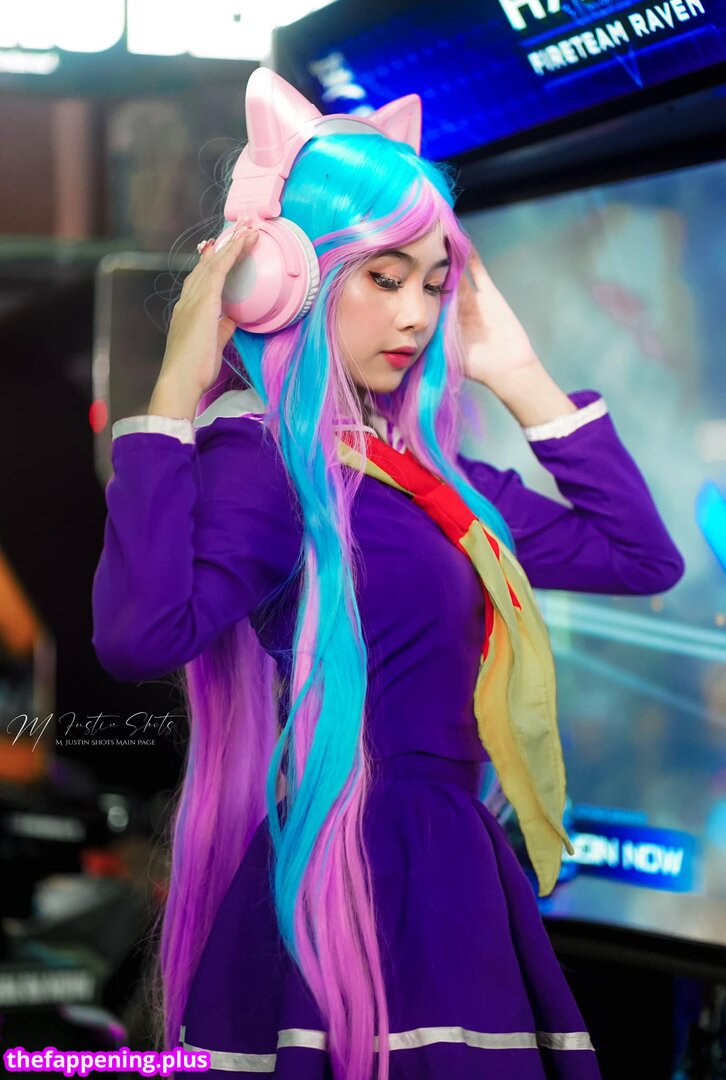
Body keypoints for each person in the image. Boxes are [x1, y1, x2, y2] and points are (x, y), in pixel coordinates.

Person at [92, 70, 685, 1079]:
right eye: (384, 277)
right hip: (352, 875)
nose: (416, 315)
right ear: (286, 280)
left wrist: (521, 375)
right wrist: (175, 393)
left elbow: (641, 557)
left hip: (451, 866)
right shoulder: (264, 461)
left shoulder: (432, 477)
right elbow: (140, 635)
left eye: (434, 283)